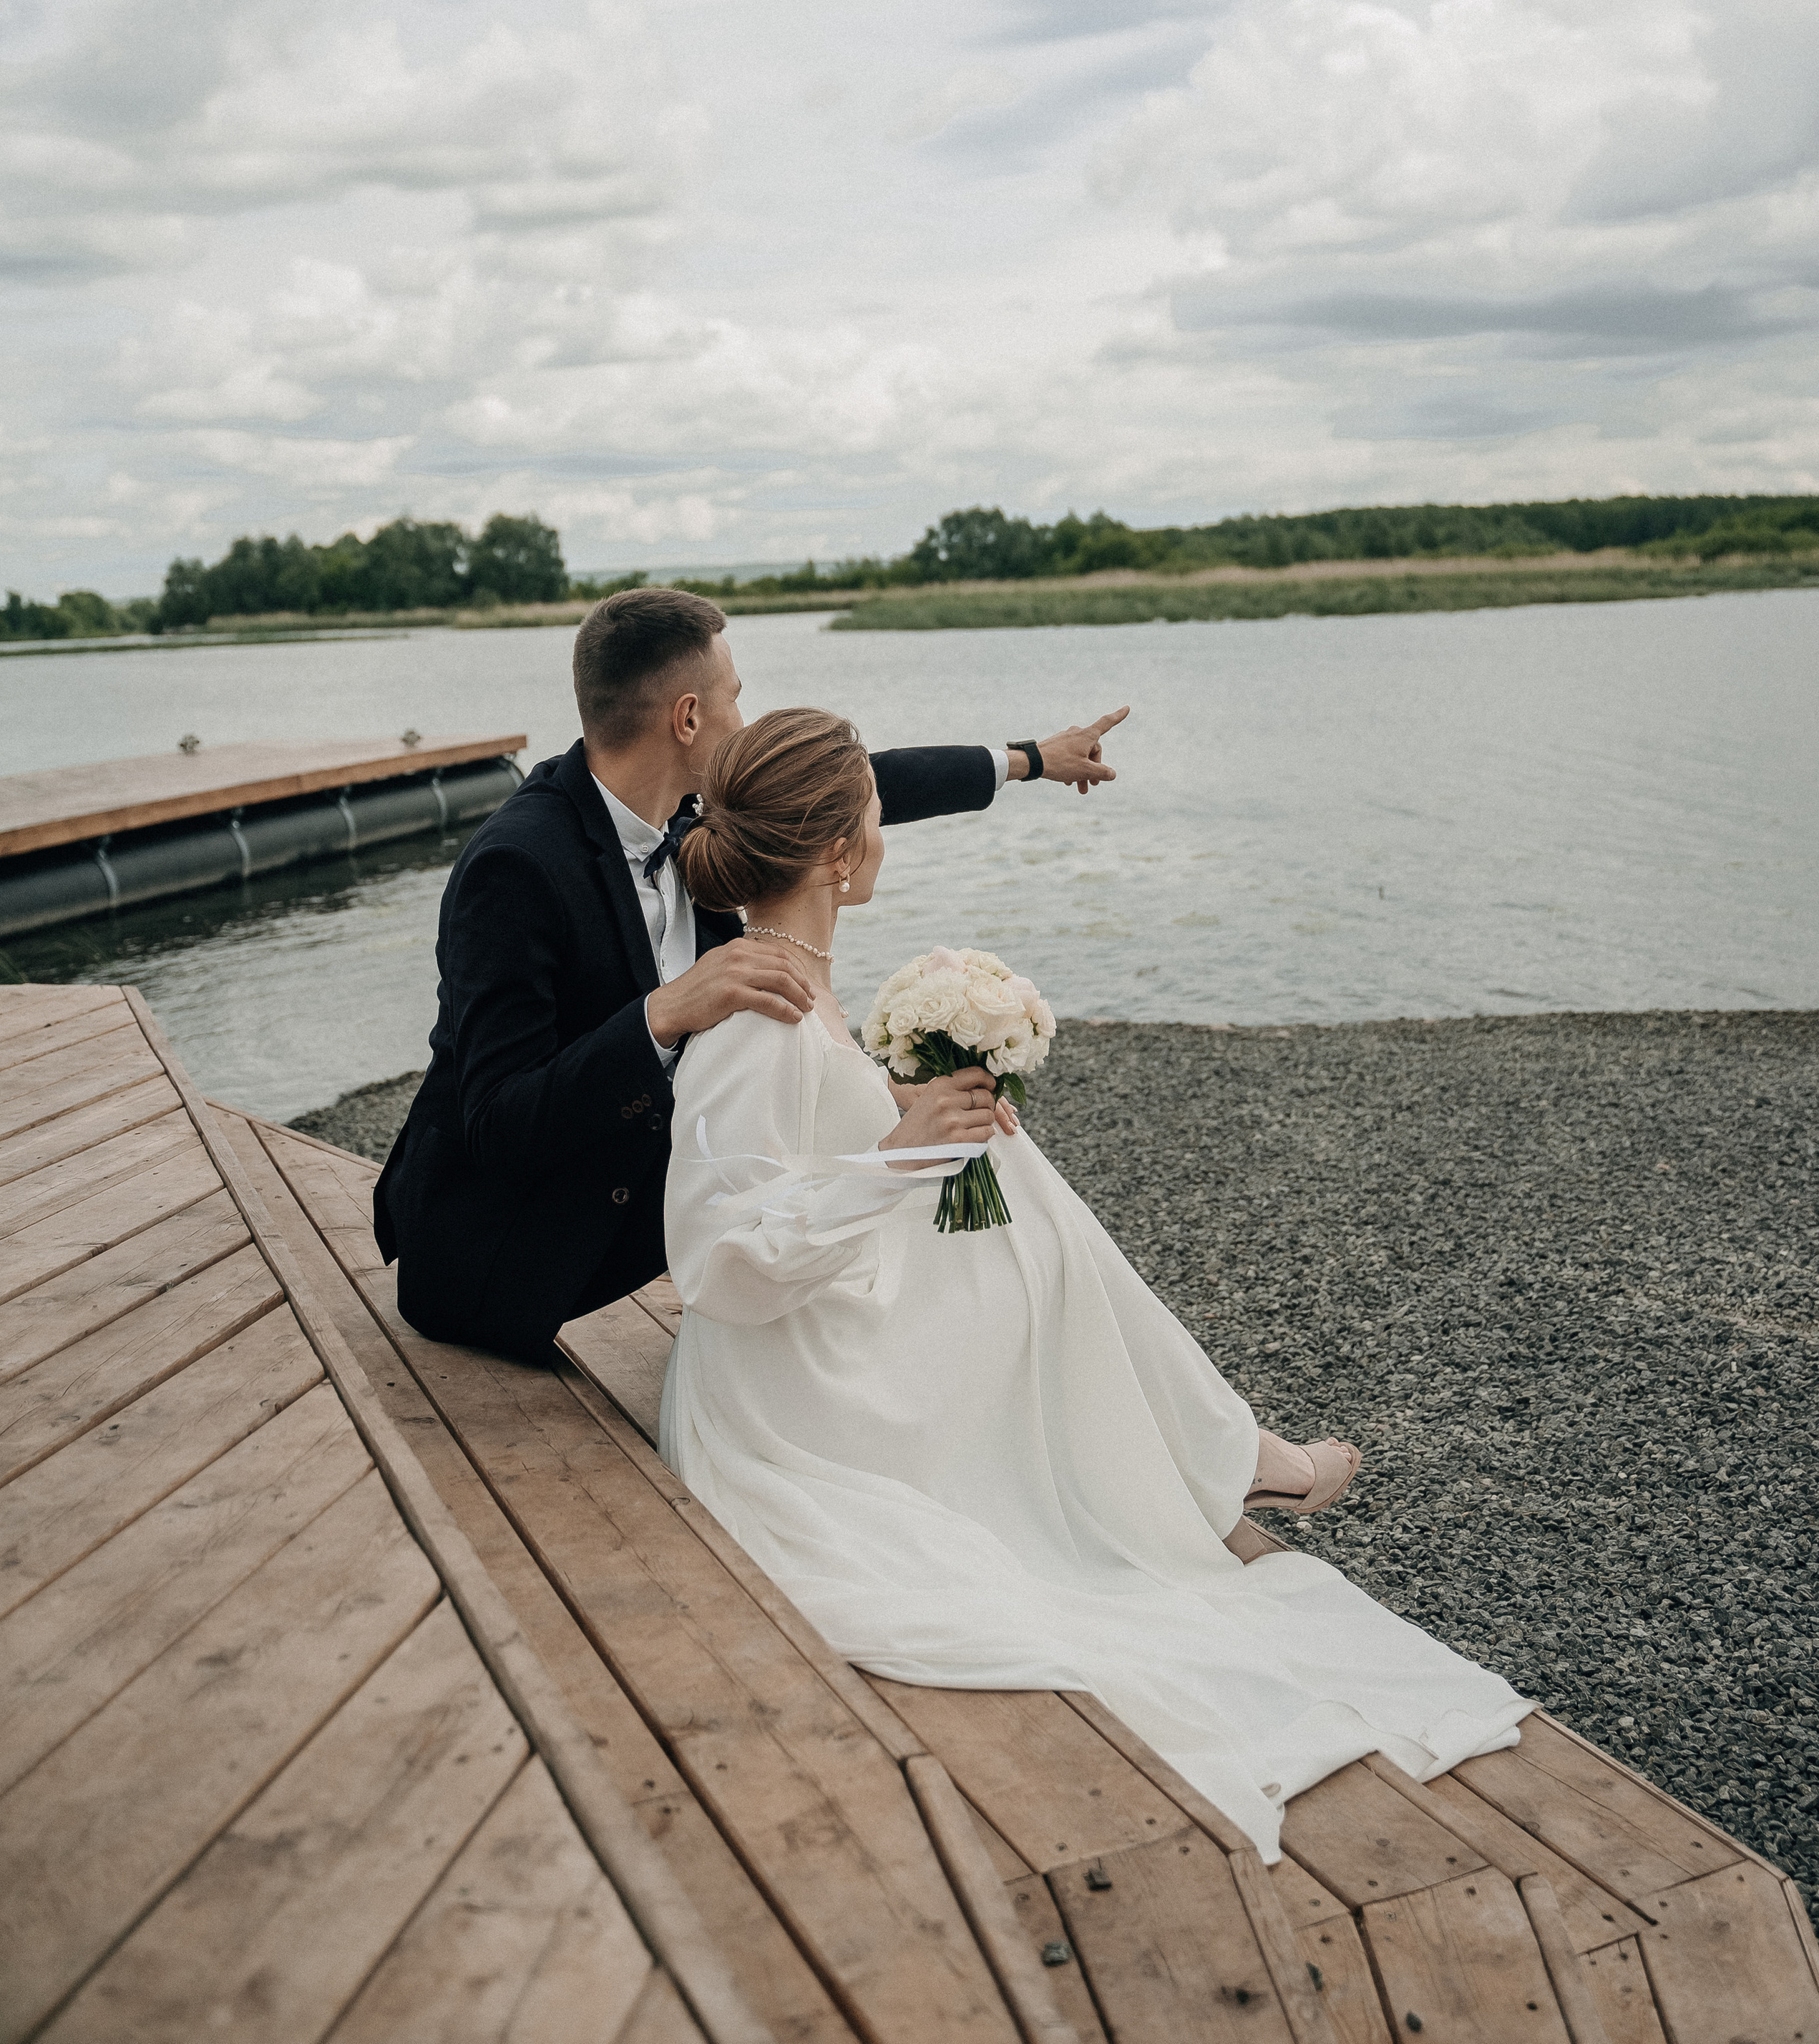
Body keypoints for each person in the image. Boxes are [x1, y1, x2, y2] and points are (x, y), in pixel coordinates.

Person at [660, 708, 1531, 1864]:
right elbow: (715, 1262)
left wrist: (912, 1114)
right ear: (836, 853)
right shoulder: (753, 1020)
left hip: (831, 1310)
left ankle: (1224, 1457)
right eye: (871, 810)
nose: (883, 828)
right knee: (1021, 1215)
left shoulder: (791, 986)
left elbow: (809, 1152)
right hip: (802, 1389)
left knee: (1009, 1168)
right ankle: (1233, 1462)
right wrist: (900, 1154)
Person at [372, 585, 1128, 1363]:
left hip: (667, 1207)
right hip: (504, 1259)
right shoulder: (517, 867)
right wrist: (662, 1015)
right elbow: (496, 1123)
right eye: (736, 696)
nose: (746, 715)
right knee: (901, 1206)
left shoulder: (690, 817)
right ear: (689, 717)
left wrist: (1030, 760)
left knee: (964, 1166)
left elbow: (852, 788)